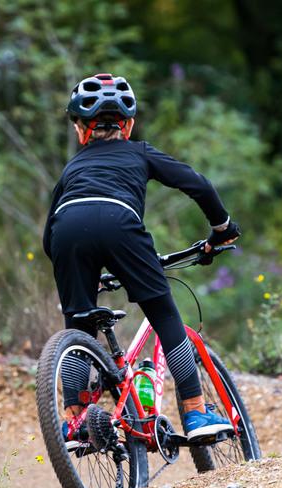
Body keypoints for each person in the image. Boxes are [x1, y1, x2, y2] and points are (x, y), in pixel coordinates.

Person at [43, 72, 241, 440]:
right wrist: (222, 228)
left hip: (66, 229)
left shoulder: (72, 168)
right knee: (164, 314)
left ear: (80, 130)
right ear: (129, 125)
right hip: (120, 223)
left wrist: (80, 271)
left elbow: (47, 237)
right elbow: (197, 184)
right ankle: (196, 412)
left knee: (79, 323)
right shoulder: (140, 152)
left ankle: (74, 419)